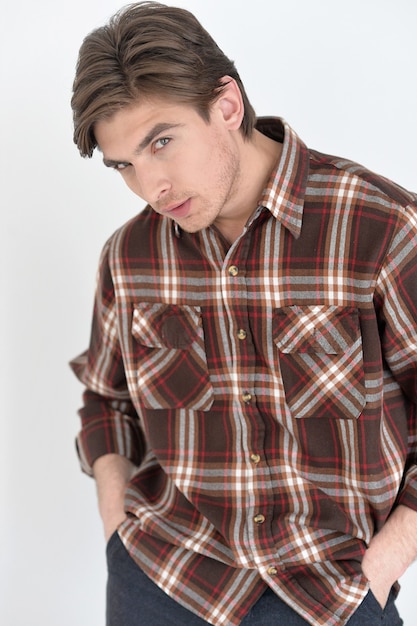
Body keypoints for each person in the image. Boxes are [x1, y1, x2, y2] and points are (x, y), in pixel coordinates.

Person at [70, 2, 417, 624]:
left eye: (162, 142)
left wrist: (386, 562)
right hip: (162, 579)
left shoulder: (383, 229)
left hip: (331, 594)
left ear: (227, 105)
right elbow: (106, 400)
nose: (152, 187)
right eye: (124, 165)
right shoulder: (131, 255)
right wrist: (115, 523)